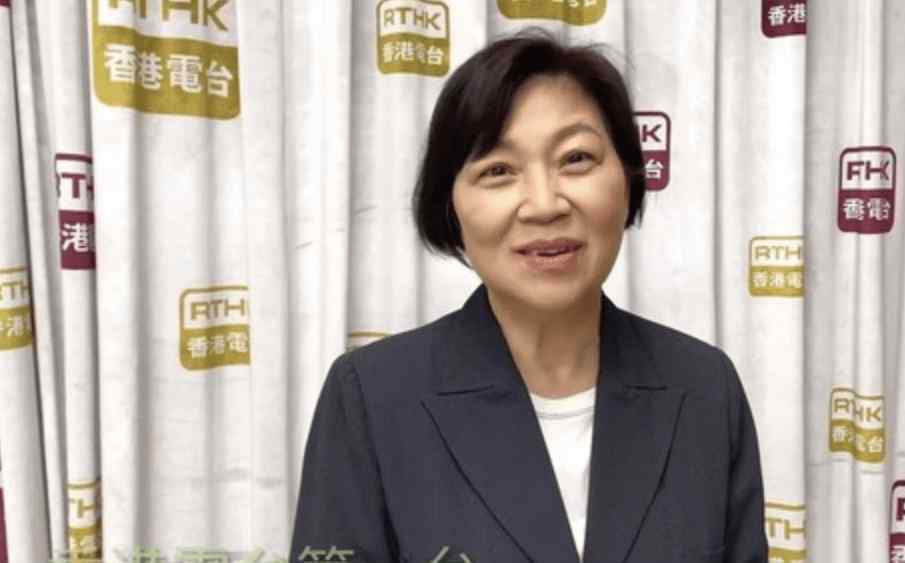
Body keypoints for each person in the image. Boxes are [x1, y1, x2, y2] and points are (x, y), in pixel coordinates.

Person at [290, 29, 767, 563]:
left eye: (576, 158)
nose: (544, 204)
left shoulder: (705, 389)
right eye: (498, 170)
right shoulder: (372, 399)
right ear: (451, 206)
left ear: (628, 179)